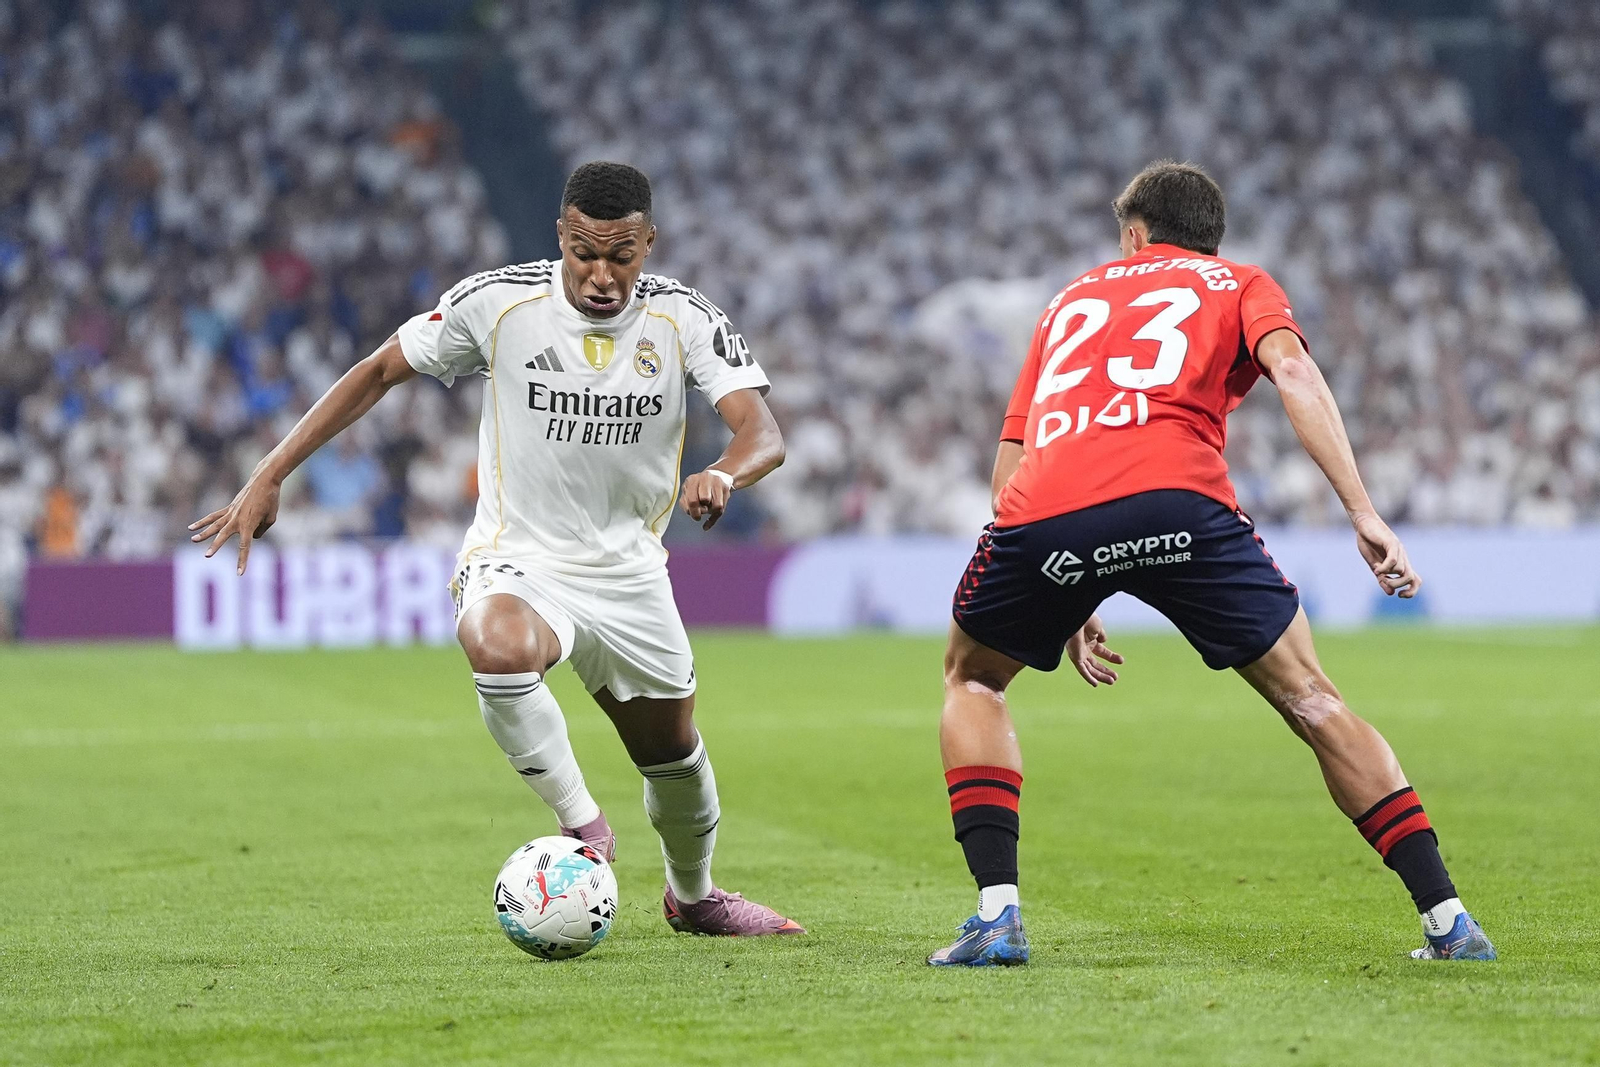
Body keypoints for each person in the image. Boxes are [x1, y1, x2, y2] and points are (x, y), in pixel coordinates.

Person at [192, 161, 804, 938]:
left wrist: (721, 471)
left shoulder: (684, 318)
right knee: (496, 641)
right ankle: (583, 827)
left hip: (628, 574)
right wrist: (271, 470)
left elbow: (764, 432)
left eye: (621, 255)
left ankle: (695, 897)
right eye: (584, 251)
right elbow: (381, 369)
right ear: (561, 235)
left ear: (650, 244)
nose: (601, 273)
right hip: (520, 557)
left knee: (674, 758)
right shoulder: (500, 302)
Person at [928, 161, 1493, 966]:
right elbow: (1293, 369)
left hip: (1048, 509)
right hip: (1181, 503)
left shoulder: (1066, 302)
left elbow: (1010, 464)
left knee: (974, 679)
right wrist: (1362, 512)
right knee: (1311, 698)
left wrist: (1072, 593)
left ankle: (997, 914)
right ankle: (1448, 920)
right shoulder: (1239, 282)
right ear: (1210, 239)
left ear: (1134, 235)